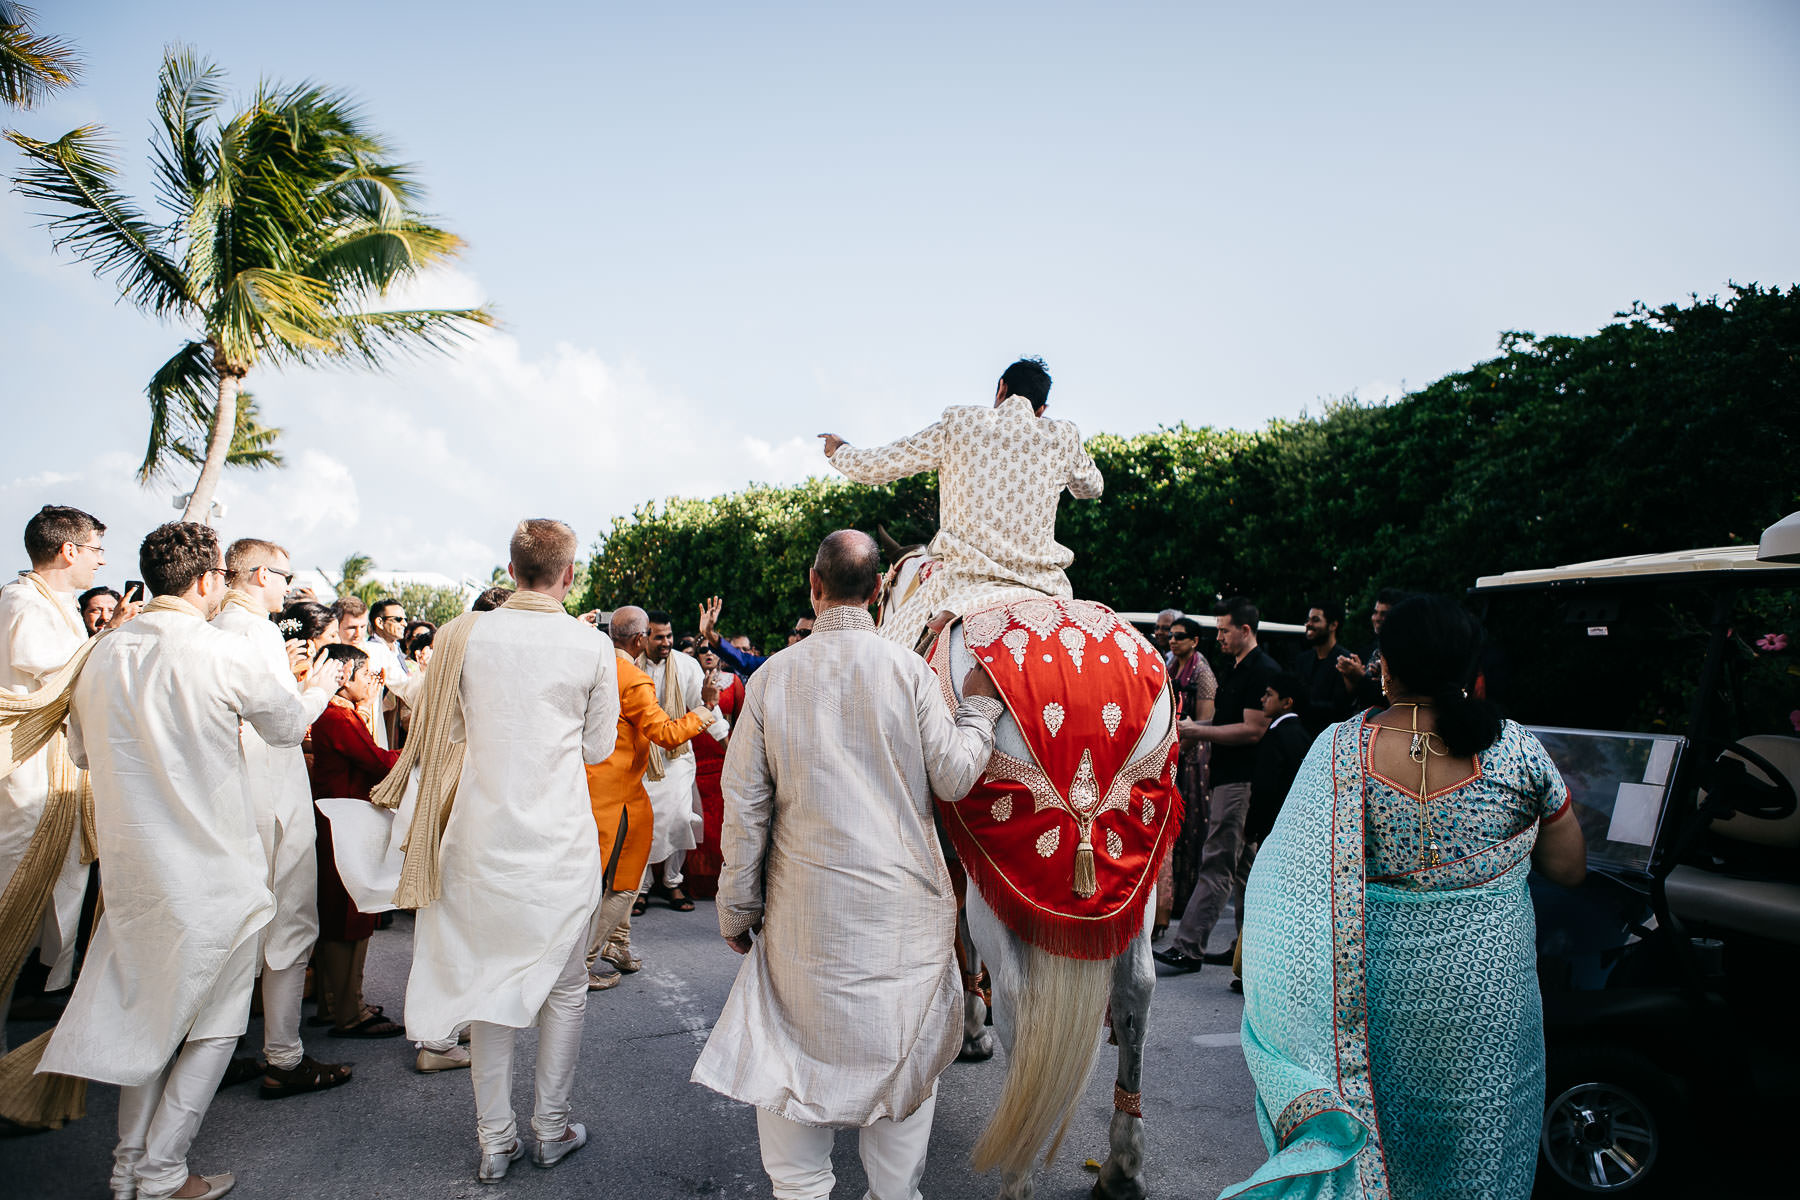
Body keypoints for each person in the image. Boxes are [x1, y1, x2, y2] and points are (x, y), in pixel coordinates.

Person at [1226, 595, 1586, 1199]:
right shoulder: (1518, 748)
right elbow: (1569, 867)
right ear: (1468, 668)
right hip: (1486, 1005)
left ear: (1385, 666)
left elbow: (1284, 877)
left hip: (1369, 1006)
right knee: (1479, 1145)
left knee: (1381, 1142)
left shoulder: (1340, 749)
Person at [691, 530, 1004, 1199]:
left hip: (805, 916)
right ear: (881, 591)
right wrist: (978, 708)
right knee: (901, 1067)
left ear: (814, 584)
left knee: (791, 1069)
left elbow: (744, 806)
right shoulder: (909, 671)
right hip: (905, 919)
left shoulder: (774, 675)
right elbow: (954, 779)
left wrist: (737, 908)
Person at [41, 521, 342, 1200]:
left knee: (147, 1016)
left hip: (133, 869)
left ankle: (127, 1169)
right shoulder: (218, 652)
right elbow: (286, 728)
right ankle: (163, 1169)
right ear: (209, 580)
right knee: (214, 1026)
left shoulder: (102, 653)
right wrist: (319, 688)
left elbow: (84, 754)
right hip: (213, 867)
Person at [382, 519, 619, 1183]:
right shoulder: (588, 645)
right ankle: (551, 1128)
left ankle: (495, 1141)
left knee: (485, 989)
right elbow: (599, 749)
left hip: (479, 842)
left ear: (510, 571)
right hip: (560, 842)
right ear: (568, 576)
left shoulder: (465, 635)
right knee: (566, 990)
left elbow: (449, 729)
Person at [819, 356, 1104, 648]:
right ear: (1041, 410)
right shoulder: (1064, 435)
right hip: (1045, 589)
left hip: (961, 588)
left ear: (1001, 388)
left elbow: (880, 465)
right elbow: (1092, 487)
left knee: (885, 658)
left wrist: (839, 451)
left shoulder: (960, 423)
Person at [210, 537, 351, 1097]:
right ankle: (285, 1055)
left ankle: (219, 1049)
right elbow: (286, 725)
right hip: (272, 795)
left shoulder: (214, 629)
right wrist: (316, 690)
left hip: (231, 797)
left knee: (239, 928)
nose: (289, 588)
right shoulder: (257, 632)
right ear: (259, 574)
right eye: (284, 576)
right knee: (290, 923)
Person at [0, 505, 134, 1028]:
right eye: (97, 550)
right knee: (16, 893)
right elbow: (54, 676)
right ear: (69, 550)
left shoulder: (50, 600)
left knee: (54, 892)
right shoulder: (21, 600)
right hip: (30, 774)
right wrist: (110, 637)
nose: (101, 563)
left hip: (59, 770)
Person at [582, 606, 719, 986]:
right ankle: (584, 963)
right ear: (640, 639)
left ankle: (618, 942)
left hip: (595, 785)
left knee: (612, 874)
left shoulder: (594, 666)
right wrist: (706, 708)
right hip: (620, 792)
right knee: (624, 879)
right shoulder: (633, 678)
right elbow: (668, 734)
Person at [1155, 597, 1280, 973]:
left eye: (1225, 629)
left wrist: (1198, 730)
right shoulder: (1239, 667)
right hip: (1229, 776)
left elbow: (1255, 729)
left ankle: (1189, 945)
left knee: (1217, 861)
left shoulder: (1261, 669)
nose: (1219, 636)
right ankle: (1247, 949)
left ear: (1245, 630)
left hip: (1240, 779)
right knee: (1243, 870)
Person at [306, 644, 405, 1041]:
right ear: (345, 677)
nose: (370, 682)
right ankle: (349, 1008)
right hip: (344, 821)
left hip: (339, 818)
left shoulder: (339, 714)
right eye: (365, 676)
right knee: (349, 916)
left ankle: (338, 1002)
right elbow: (378, 761)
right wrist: (416, 752)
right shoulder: (338, 717)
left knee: (342, 915)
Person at [637, 609, 728, 914]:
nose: (666, 642)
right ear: (644, 636)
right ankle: (642, 887)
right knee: (642, 823)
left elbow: (705, 706)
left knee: (678, 818)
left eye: (669, 636)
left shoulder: (687, 666)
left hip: (676, 756)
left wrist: (725, 741)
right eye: (659, 636)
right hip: (641, 758)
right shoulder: (630, 667)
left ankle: (673, 882)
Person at [1156, 615, 1217, 937]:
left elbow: (1206, 722)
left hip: (1192, 758)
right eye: (1171, 635)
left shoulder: (1203, 673)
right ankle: (1171, 901)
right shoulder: (1170, 663)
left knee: (1191, 828)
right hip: (1171, 753)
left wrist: (1177, 751)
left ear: (1194, 640)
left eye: (1180, 636)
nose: (1173, 640)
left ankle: (1186, 899)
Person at [682, 645, 743, 901]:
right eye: (702, 649)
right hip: (695, 752)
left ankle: (723, 881)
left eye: (712, 649)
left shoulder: (734, 682)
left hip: (724, 752)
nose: (708, 653)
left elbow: (742, 718)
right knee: (697, 817)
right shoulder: (687, 680)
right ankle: (694, 880)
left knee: (721, 818)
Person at [1337, 587, 1407, 710]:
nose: (1377, 618)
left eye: (1384, 614)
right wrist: (1349, 679)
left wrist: (1361, 679)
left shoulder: (1403, 654)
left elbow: (1388, 701)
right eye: (1375, 612)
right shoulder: (1367, 652)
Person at [1291, 599, 1355, 734]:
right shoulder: (1302, 660)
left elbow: (1341, 707)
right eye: (1308, 620)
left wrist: (1304, 705)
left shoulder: (1345, 661)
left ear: (1333, 625)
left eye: (1315, 620)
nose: (1309, 624)